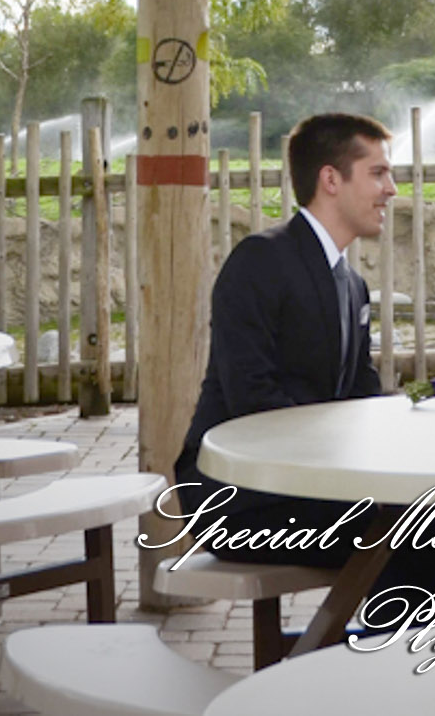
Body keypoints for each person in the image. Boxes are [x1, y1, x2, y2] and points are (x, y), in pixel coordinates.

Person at [174, 111, 395, 552]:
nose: (391, 189)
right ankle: (394, 623)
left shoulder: (352, 285)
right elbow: (253, 397)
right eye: (378, 173)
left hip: (308, 484)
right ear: (331, 179)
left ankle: (395, 624)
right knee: (419, 522)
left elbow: (362, 394)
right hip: (238, 495)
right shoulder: (261, 260)